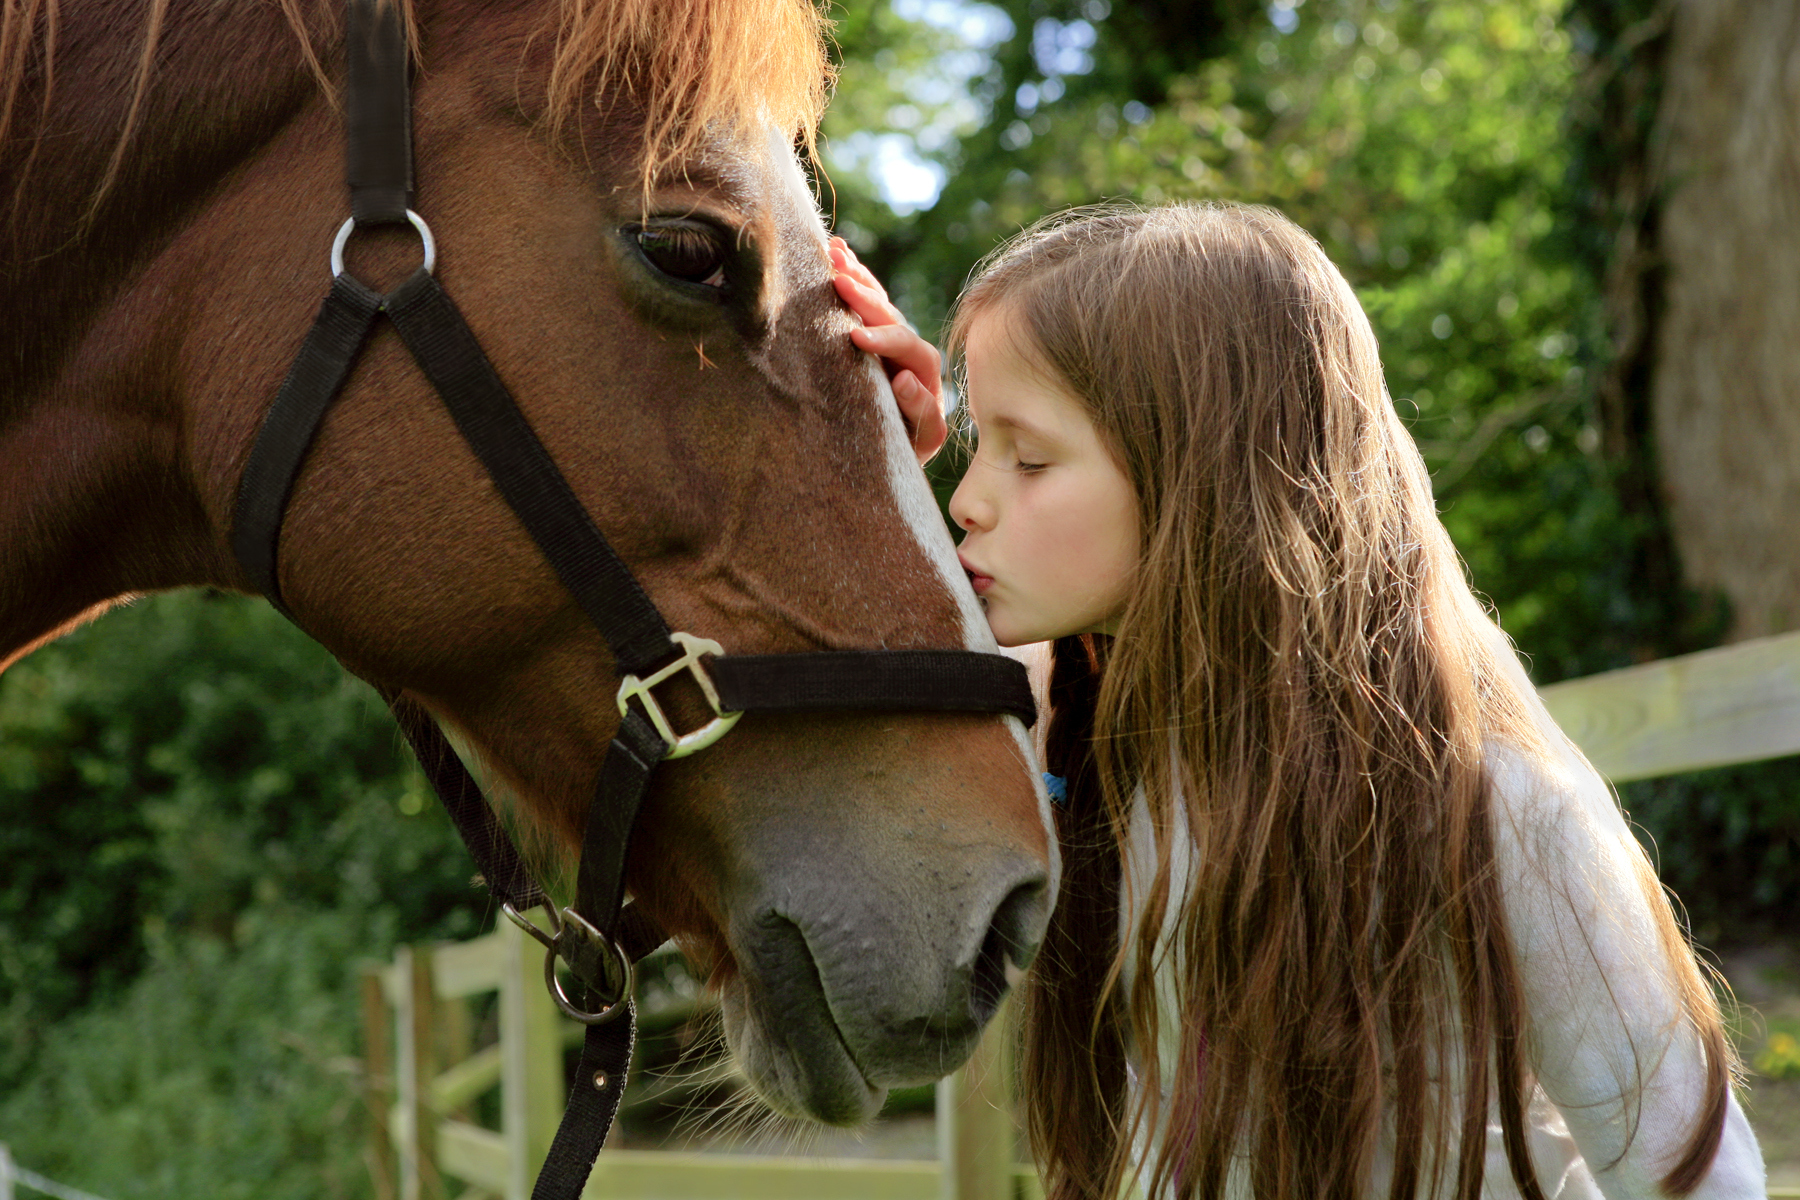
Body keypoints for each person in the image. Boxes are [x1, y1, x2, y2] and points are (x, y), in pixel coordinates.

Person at [829, 203, 1763, 1199]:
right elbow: (841, 702)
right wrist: (861, 460)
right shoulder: (1086, 732)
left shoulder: (1495, 808)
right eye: (976, 447)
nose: (968, 500)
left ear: (1204, 475)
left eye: (1030, 456)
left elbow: (1694, 1178)